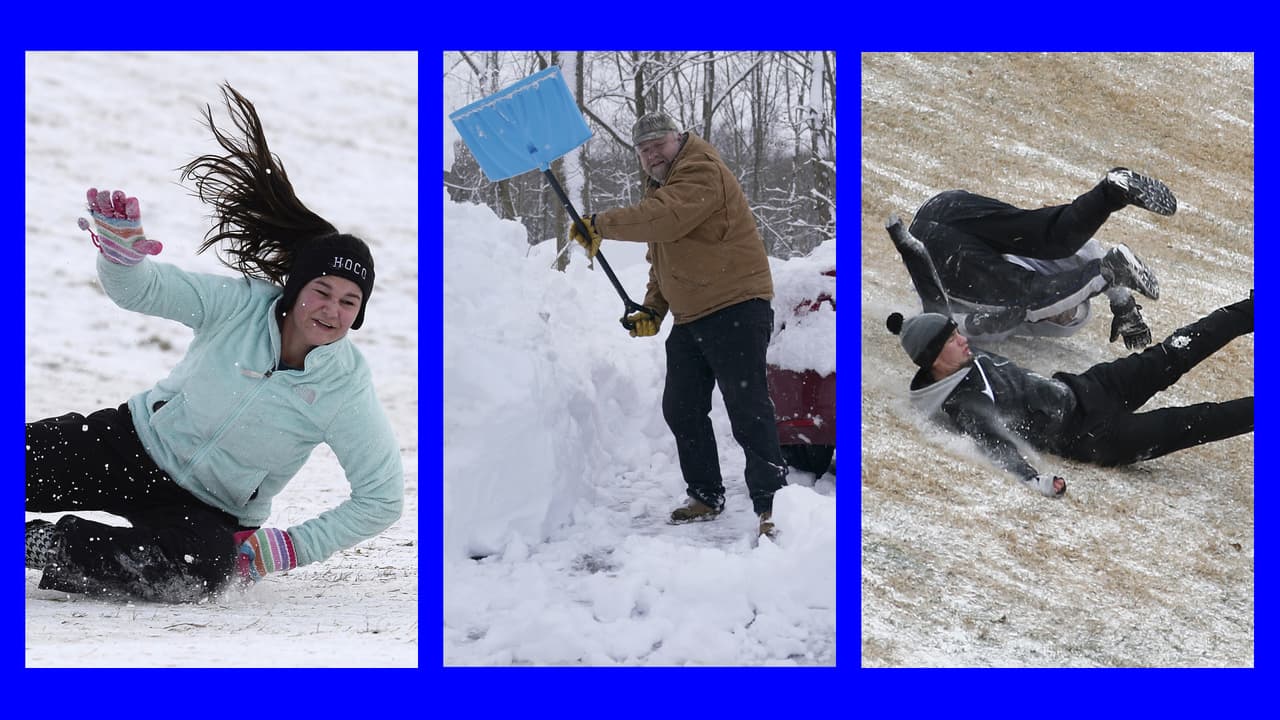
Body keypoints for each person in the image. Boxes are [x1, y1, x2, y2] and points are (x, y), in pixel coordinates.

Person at [24, 84, 404, 602]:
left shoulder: (344, 387)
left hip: (206, 508)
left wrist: (288, 547)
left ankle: (41, 546)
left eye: (349, 302)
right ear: (295, 292)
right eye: (322, 291)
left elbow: (381, 499)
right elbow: (142, 289)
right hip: (131, 444)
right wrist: (121, 257)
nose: (332, 310)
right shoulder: (240, 305)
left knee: (200, 569)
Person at [569, 111, 786, 537]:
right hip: (693, 316)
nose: (652, 155)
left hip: (736, 305)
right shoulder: (663, 189)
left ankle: (774, 504)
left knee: (747, 408)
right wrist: (654, 308)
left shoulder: (701, 171)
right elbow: (662, 261)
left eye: (659, 145)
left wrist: (601, 224)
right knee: (682, 407)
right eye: (644, 150)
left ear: (679, 139)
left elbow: (665, 218)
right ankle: (706, 494)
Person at [884, 293, 1253, 498]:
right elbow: (995, 445)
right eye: (951, 339)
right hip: (1097, 438)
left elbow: (930, 293)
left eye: (955, 333)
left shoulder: (960, 359)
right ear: (933, 358)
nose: (962, 338)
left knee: (1177, 349)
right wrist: (1036, 481)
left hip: (1091, 386)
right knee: (1197, 420)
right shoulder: (966, 403)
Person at [889, 168, 1177, 350]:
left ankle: (1110, 195)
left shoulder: (1000, 308)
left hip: (943, 215)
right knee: (1048, 240)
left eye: (1061, 317)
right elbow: (1090, 252)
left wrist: (976, 324)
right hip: (946, 222)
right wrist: (1124, 306)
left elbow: (942, 322)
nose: (1058, 311)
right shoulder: (1024, 284)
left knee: (1042, 246)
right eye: (1064, 310)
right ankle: (1112, 196)